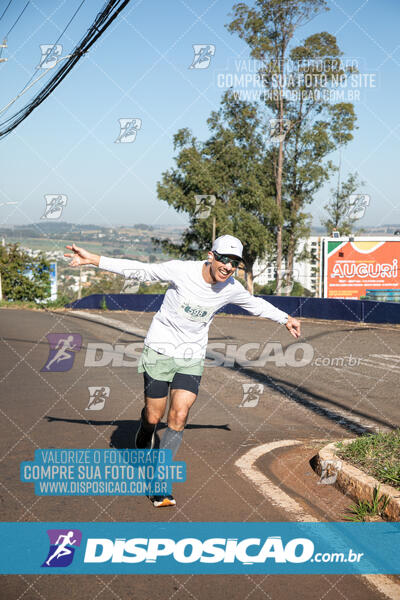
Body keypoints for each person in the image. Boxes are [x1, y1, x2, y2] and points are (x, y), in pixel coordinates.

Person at [65, 235, 301, 508]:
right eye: (224, 259)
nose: (228, 266)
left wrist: (286, 319)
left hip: (191, 356)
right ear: (211, 255)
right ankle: (144, 430)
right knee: (154, 415)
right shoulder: (182, 270)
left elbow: (255, 304)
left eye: (234, 263)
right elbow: (141, 271)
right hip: (160, 349)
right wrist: (93, 259)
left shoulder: (231, 288)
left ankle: (160, 481)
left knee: (179, 414)